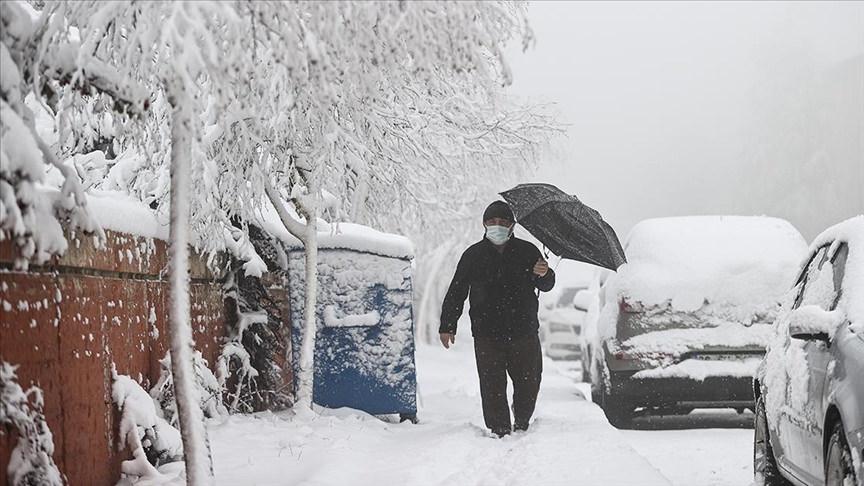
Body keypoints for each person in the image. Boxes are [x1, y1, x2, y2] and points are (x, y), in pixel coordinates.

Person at [439, 200, 555, 437]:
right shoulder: (472, 255)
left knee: (528, 382)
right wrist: (447, 325)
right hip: (486, 332)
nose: (497, 226)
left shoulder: (528, 251)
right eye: (492, 222)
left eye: (503, 222)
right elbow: (457, 291)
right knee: (491, 384)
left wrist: (545, 273)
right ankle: (498, 428)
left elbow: (546, 284)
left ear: (512, 225)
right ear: (484, 224)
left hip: (523, 331)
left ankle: (522, 419)